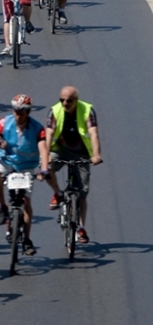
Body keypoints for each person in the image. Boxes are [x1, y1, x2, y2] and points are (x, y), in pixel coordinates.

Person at [0, 94, 49, 257]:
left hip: (27, 167)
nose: (18, 114)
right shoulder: (4, 123)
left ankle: (27, 240)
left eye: (22, 112)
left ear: (28, 112)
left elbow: (43, 150)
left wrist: (44, 169)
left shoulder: (38, 129)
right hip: (7, 161)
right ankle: (3, 206)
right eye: (16, 111)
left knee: (26, 202)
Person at [45, 85, 102, 245]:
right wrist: (46, 155)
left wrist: (96, 155)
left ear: (76, 100)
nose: (65, 104)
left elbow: (93, 133)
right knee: (47, 168)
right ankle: (57, 193)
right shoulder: (54, 111)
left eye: (69, 101)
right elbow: (48, 134)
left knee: (82, 192)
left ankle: (81, 228)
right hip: (60, 150)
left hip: (82, 153)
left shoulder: (87, 110)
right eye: (62, 100)